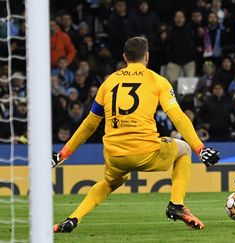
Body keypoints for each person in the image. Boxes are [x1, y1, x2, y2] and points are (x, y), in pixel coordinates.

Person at [51, 36, 220, 233]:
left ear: (125, 57)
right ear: (147, 56)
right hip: (145, 151)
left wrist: (62, 154)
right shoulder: (158, 81)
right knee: (183, 150)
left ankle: (73, 218)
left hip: (114, 155)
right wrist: (200, 149)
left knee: (109, 183)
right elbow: (178, 117)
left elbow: (89, 124)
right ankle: (176, 204)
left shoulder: (109, 82)